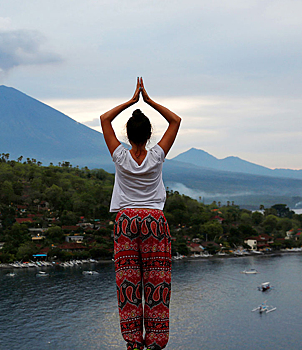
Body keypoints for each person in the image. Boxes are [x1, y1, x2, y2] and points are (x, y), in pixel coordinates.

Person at [100, 78, 181, 350]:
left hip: (126, 221)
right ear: (148, 135)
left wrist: (132, 101)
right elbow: (175, 121)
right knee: (157, 280)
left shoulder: (120, 157)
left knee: (128, 283)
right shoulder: (156, 155)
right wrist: (149, 101)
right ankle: (156, 343)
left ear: (128, 134)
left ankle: (133, 343)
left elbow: (104, 119)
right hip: (154, 222)